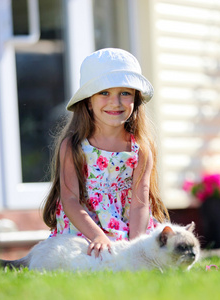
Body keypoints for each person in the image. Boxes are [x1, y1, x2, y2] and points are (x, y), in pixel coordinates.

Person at [42, 48, 169, 258]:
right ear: (88, 102)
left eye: (125, 93)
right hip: (85, 229)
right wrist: (98, 236)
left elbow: (139, 204)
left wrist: (135, 247)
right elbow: (70, 200)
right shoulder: (73, 146)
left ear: (135, 99)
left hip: (130, 228)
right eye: (104, 92)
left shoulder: (141, 149)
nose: (115, 102)